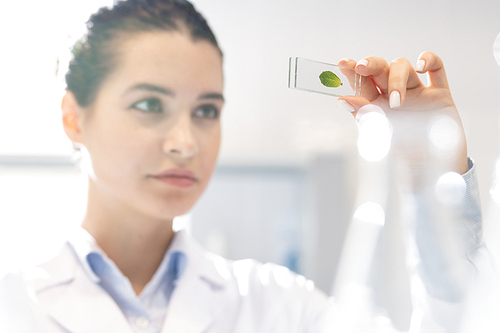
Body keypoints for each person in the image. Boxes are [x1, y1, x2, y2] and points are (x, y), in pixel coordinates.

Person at [0, 0, 488, 332]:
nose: (185, 141)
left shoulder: (277, 306)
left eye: (206, 110)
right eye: (150, 105)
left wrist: (434, 188)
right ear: (73, 117)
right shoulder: (13, 303)